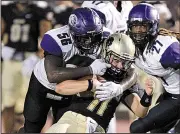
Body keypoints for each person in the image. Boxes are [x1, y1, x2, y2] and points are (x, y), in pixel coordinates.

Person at [19, 7, 113, 133]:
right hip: (43, 85)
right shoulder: (56, 39)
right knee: (32, 127)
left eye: (94, 37)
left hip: (70, 88)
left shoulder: (107, 37)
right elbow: (52, 75)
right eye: (85, 38)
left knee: (65, 127)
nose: (90, 43)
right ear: (72, 33)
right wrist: (90, 69)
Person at [45, 33, 154, 133]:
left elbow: (140, 112)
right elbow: (60, 88)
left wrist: (147, 96)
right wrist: (91, 84)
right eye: (116, 60)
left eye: (124, 62)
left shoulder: (122, 82)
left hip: (97, 128)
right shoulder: (92, 67)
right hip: (72, 120)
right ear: (106, 53)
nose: (120, 66)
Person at [125, 3, 180, 133]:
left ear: (152, 26)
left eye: (143, 26)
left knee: (137, 128)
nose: (138, 31)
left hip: (177, 96)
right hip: (171, 93)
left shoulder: (166, 49)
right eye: (135, 26)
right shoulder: (130, 45)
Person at [1, 1, 53, 133]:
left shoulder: (38, 9)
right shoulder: (6, 8)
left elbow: (46, 32)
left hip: (29, 60)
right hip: (10, 60)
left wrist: (38, 55)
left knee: (31, 104)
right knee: (8, 104)